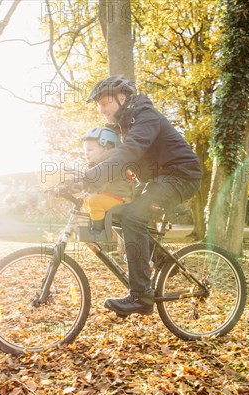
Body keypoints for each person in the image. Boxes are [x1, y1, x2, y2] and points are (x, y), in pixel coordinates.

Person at [78, 75, 202, 316]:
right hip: (160, 179)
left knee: (134, 217)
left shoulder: (144, 116)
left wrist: (93, 177)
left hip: (182, 175)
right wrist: (84, 176)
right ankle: (165, 262)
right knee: (119, 213)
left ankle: (141, 297)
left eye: (105, 103)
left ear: (122, 97)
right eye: (99, 106)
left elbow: (129, 151)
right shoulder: (127, 123)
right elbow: (117, 156)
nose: (102, 110)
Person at [80, 126, 134, 234]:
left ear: (106, 149)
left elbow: (100, 182)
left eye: (90, 150)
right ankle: (96, 226)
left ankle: (98, 230)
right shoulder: (98, 165)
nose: (86, 153)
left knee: (93, 201)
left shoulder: (112, 163)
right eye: (85, 151)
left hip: (120, 198)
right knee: (85, 201)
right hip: (110, 197)